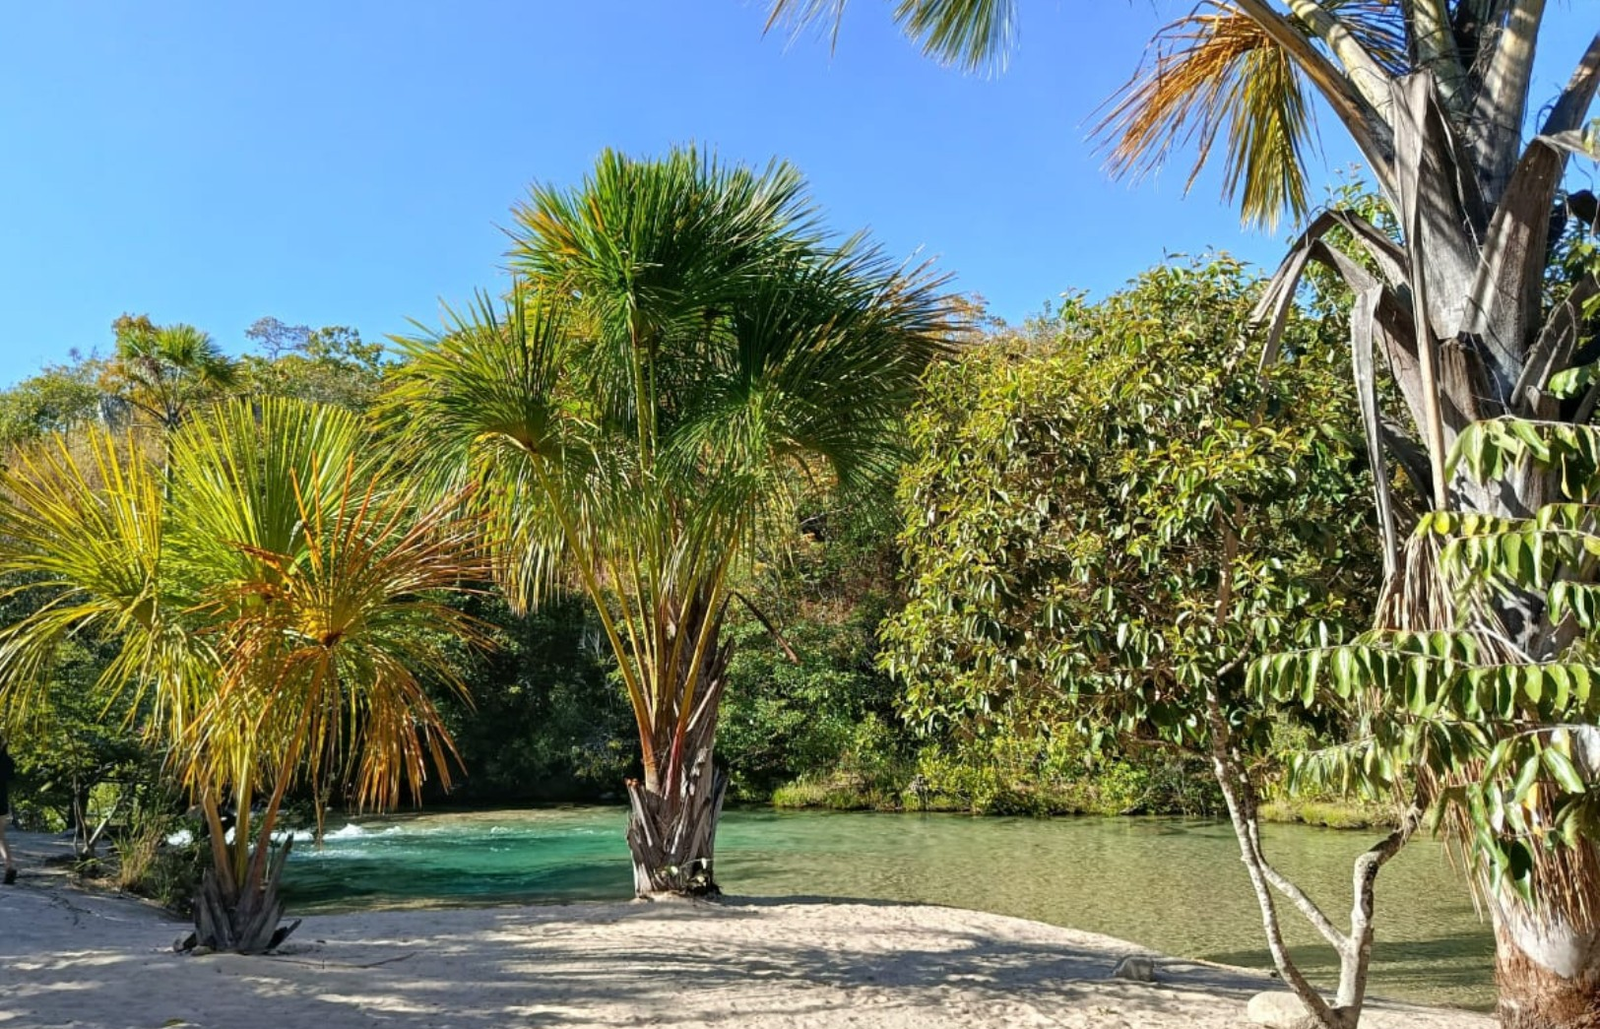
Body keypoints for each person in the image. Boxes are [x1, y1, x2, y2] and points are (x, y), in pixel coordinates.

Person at [0, 739, 15, 884]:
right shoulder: (6, 760)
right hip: (2, 802)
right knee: (0, 837)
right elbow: (11, 776)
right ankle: (9, 865)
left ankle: (9, 866)